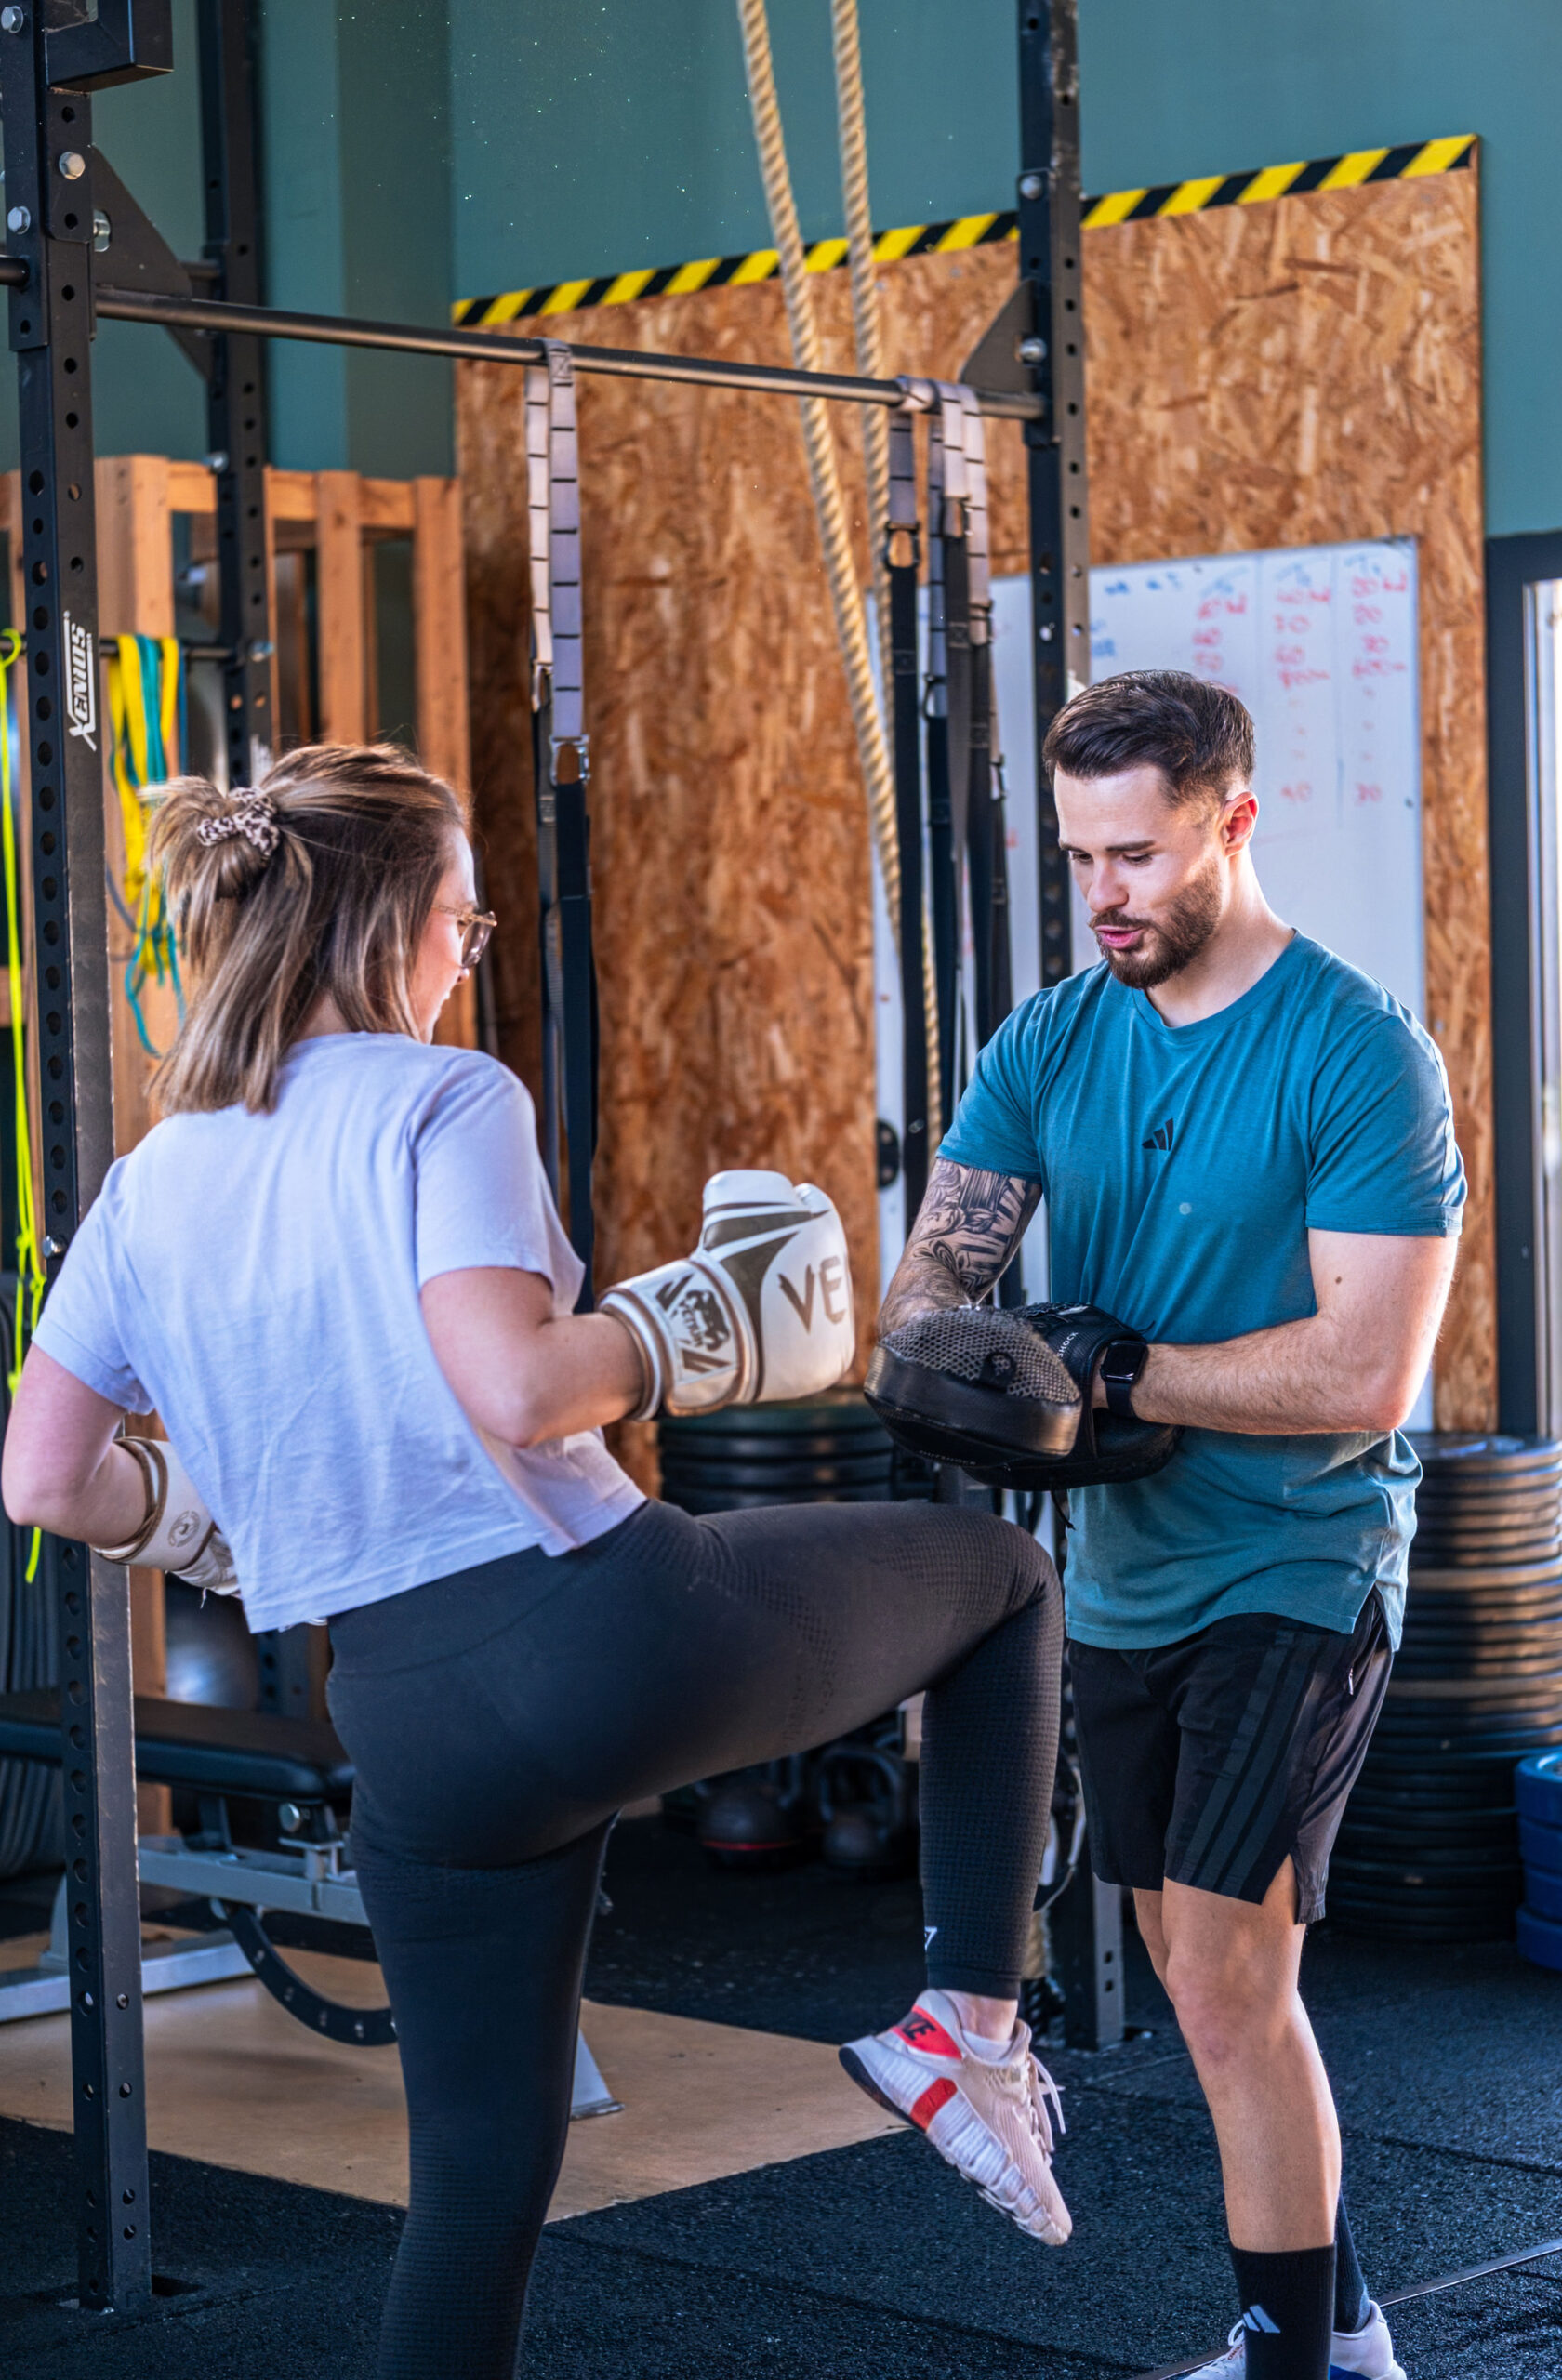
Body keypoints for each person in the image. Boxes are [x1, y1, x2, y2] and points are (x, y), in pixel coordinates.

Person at [2, 744, 1072, 2380]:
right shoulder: (449, 1098)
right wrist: (698, 1323)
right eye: (462, 921)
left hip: (407, 1723)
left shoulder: (152, 1183)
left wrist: (219, 1521)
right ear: (386, 923)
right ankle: (970, 2028)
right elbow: (515, 1387)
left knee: (475, 2186)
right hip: (602, 1631)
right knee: (1000, 1583)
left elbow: (44, 1479)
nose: (464, 956)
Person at [879, 671, 1463, 2380]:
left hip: (1301, 1559)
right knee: (1185, 1960)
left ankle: (1292, 2363)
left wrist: (1115, 1375)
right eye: (1081, 859)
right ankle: (1346, 2331)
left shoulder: (1356, 1054)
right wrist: (997, 1370)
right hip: (1125, 1572)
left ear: (1235, 823)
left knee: (1220, 1979)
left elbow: (1367, 1369)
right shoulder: (1052, 1039)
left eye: (1137, 855)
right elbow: (927, 1302)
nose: (1106, 894)